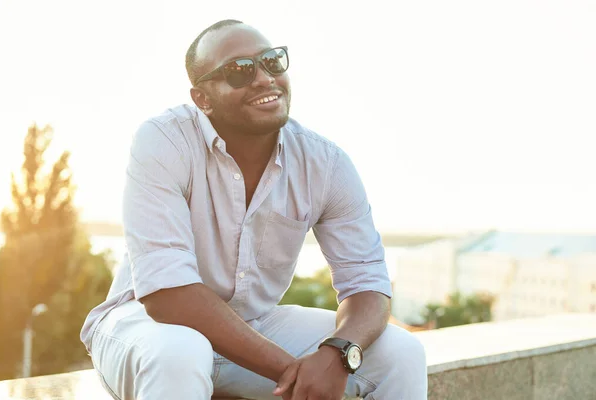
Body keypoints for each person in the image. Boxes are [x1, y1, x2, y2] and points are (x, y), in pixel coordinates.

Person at [80, 19, 427, 400]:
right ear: (202, 99)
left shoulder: (324, 163)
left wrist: (339, 354)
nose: (264, 79)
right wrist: (295, 372)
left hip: (255, 325)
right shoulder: (163, 141)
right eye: (240, 71)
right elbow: (167, 294)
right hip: (142, 325)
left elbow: (367, 282)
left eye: (273, 62)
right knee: (181, 352)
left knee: (402, 352)